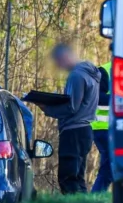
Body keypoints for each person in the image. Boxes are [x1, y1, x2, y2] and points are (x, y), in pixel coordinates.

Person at [39, 43, 101, 195]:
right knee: (77, 177)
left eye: (59, 62)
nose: (59, 67)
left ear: (66, 56)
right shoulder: (90, 74)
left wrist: (47, 109)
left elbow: (72, 107)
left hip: (74, 131)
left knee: (68, 177)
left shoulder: (76, 75)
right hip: (85, 130)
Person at [90, 50, 113, 193]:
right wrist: (120, 100)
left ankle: (97, 196)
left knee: (110, 166)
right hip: (103, 128)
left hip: (117, 128)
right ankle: (96, 196)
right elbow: (96, 97)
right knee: (109, 166)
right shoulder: (104, 71)